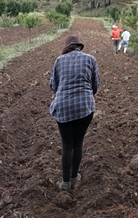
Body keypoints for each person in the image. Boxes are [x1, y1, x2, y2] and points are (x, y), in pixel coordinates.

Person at [49, 35, 100, 192]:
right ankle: (74, 175)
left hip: (63, 107)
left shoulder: (59, 61)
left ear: (67, 47)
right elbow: (95, 85)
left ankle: (65, 183)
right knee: (78, 143)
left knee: (67, 145)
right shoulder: (90, 59)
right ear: (79, 46)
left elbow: (53, 85)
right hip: (85, 107)